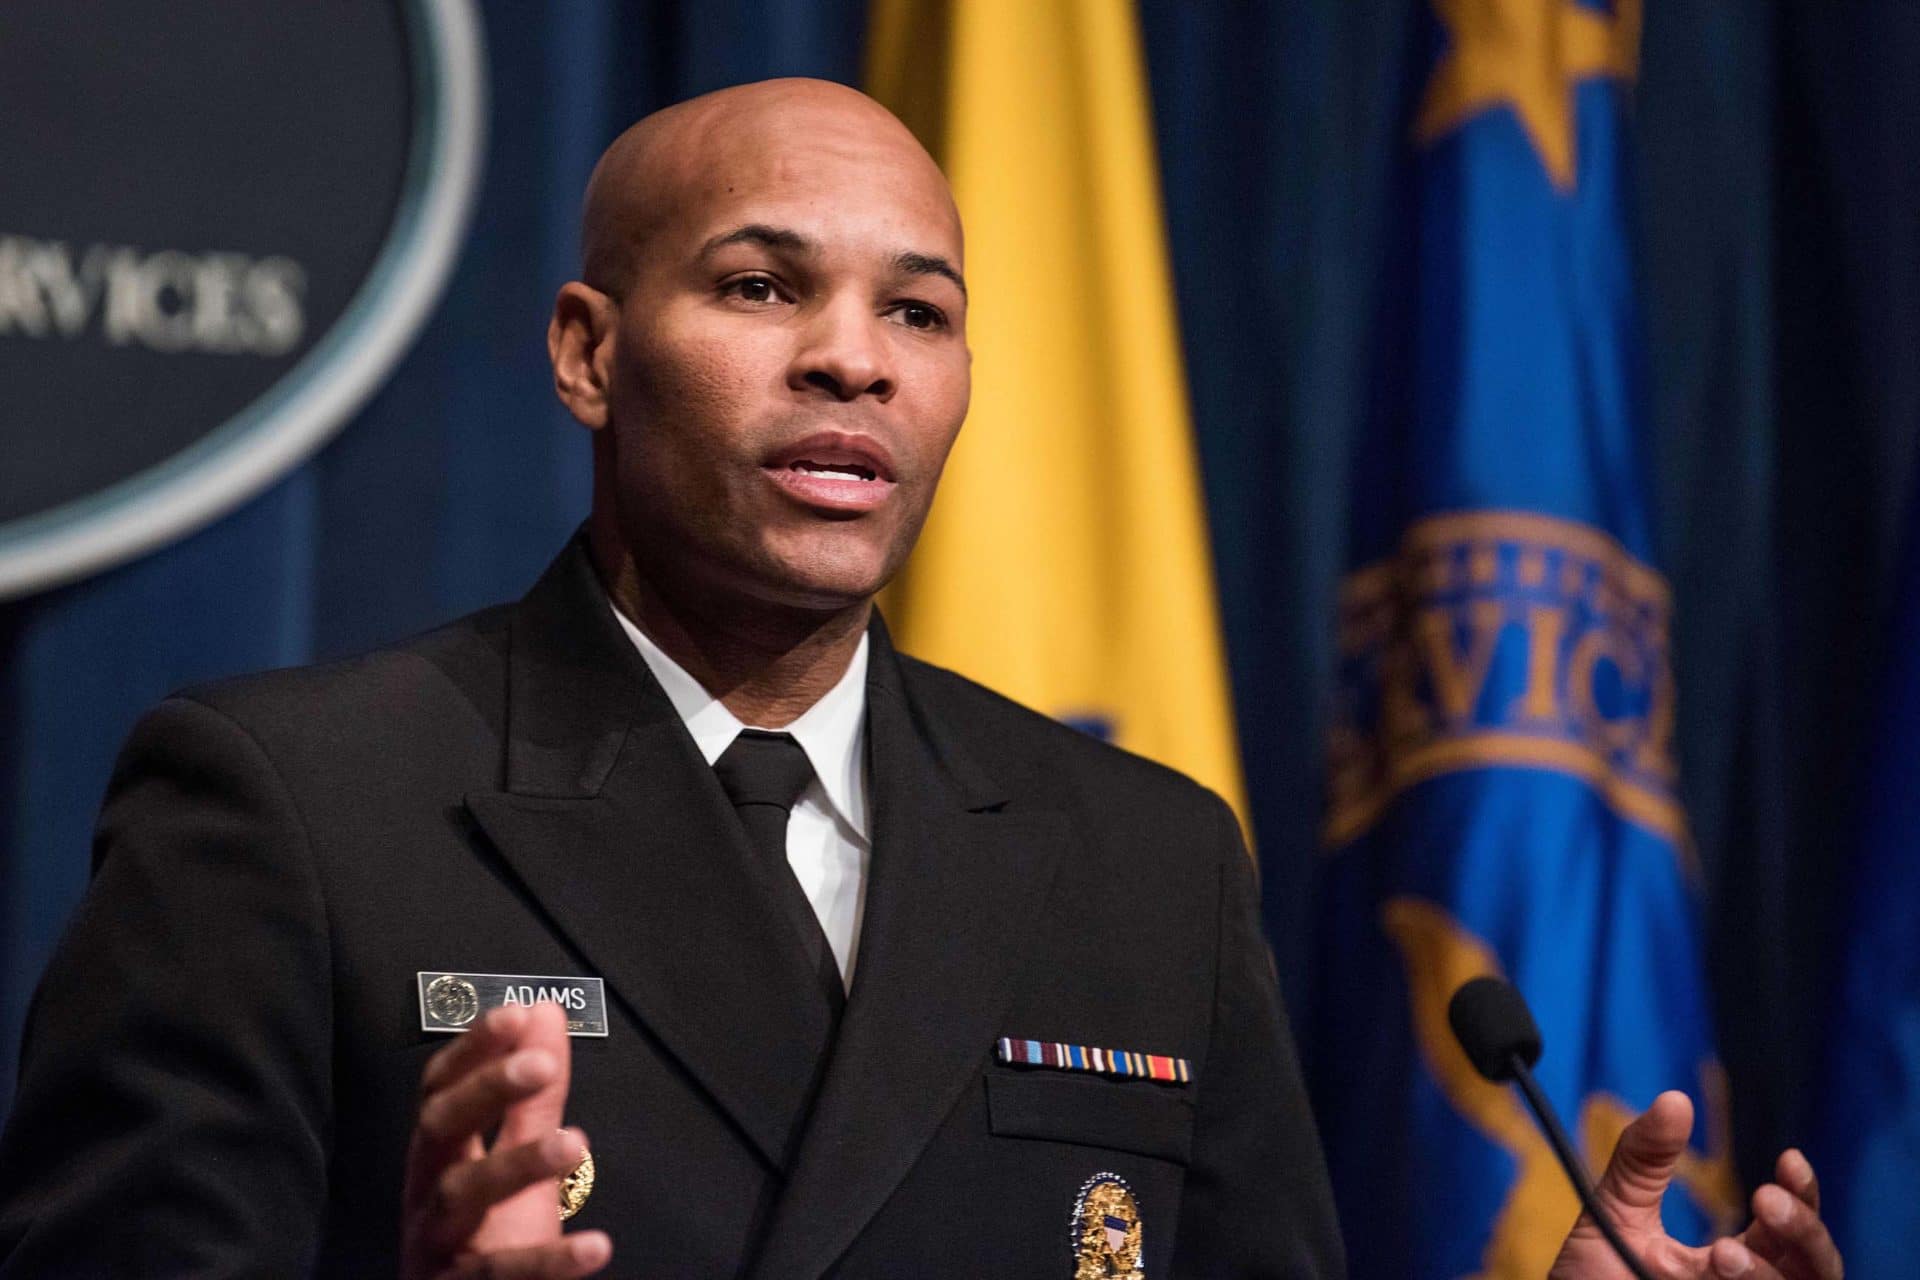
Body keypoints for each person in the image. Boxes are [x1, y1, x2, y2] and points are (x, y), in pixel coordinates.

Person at [0, 79, 1839, 1280]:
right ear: (587, 354)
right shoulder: (294, 805)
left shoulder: (1147, 859)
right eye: (760, 287)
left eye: (920, 311)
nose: (853, 364)